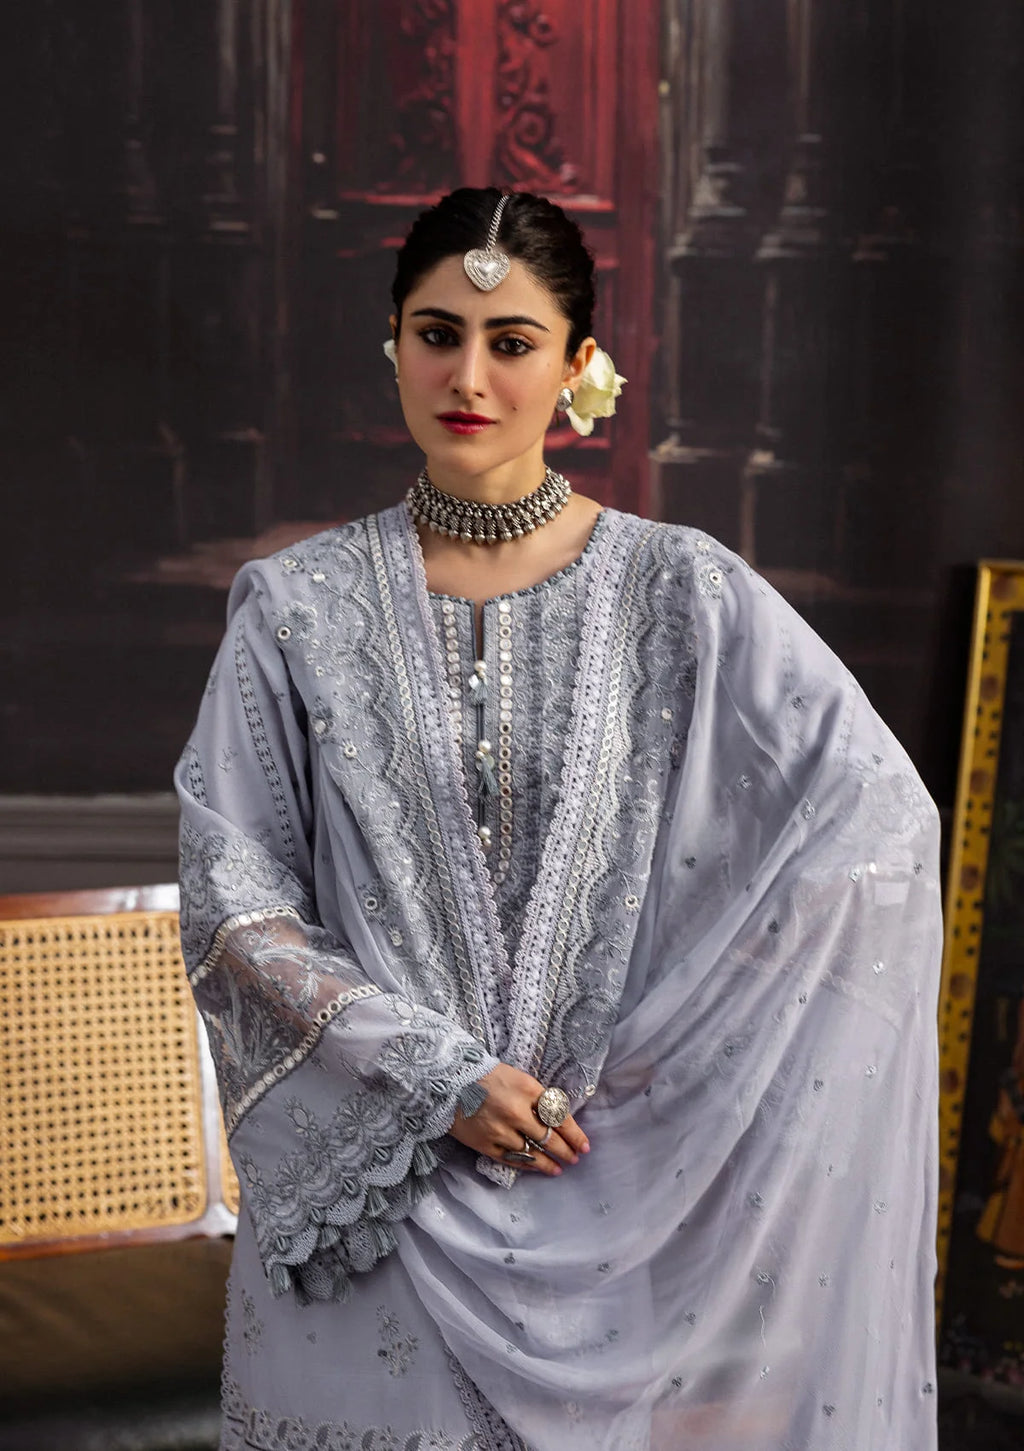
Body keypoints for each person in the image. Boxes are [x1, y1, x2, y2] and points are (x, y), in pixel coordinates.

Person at [175, 187, 942, 1451]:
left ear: (578, 364)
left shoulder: (680, 592)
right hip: (378, 1194)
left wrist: (663, 1058)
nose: (468, 376)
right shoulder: (293, 607)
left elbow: (873, 831)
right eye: (437, 334)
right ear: (392, 343)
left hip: (601, 1188)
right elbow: (234, 903)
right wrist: (438, 1078)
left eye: (512, 341)